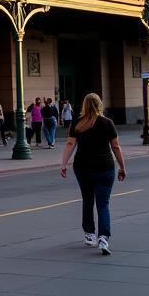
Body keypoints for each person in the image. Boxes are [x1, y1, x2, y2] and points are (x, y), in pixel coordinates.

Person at [59, 93, 127, 256]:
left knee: (88, 199)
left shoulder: (77, 123)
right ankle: (103, 238)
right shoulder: (107, 123)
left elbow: (70, 143)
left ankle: (89, 234)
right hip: (105, 167)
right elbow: (116, 146)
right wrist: (122, 167)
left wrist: (63, 164)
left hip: (83, 168)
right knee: (103, 204)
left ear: (84, 106)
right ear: (100, 105)